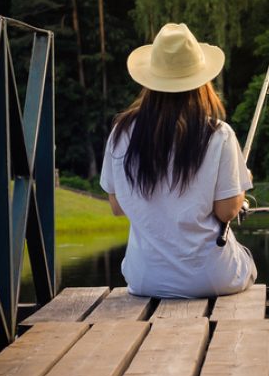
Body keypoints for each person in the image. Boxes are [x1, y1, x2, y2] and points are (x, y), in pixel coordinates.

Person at [100, 23, 257, 298]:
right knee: (246, 261)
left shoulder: (121, 133)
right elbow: (227, 212)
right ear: (201, 82)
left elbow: (117, 206)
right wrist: (242, 187)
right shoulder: (218, 134)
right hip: (210, 279)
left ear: (151, 80)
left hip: (144, 280)